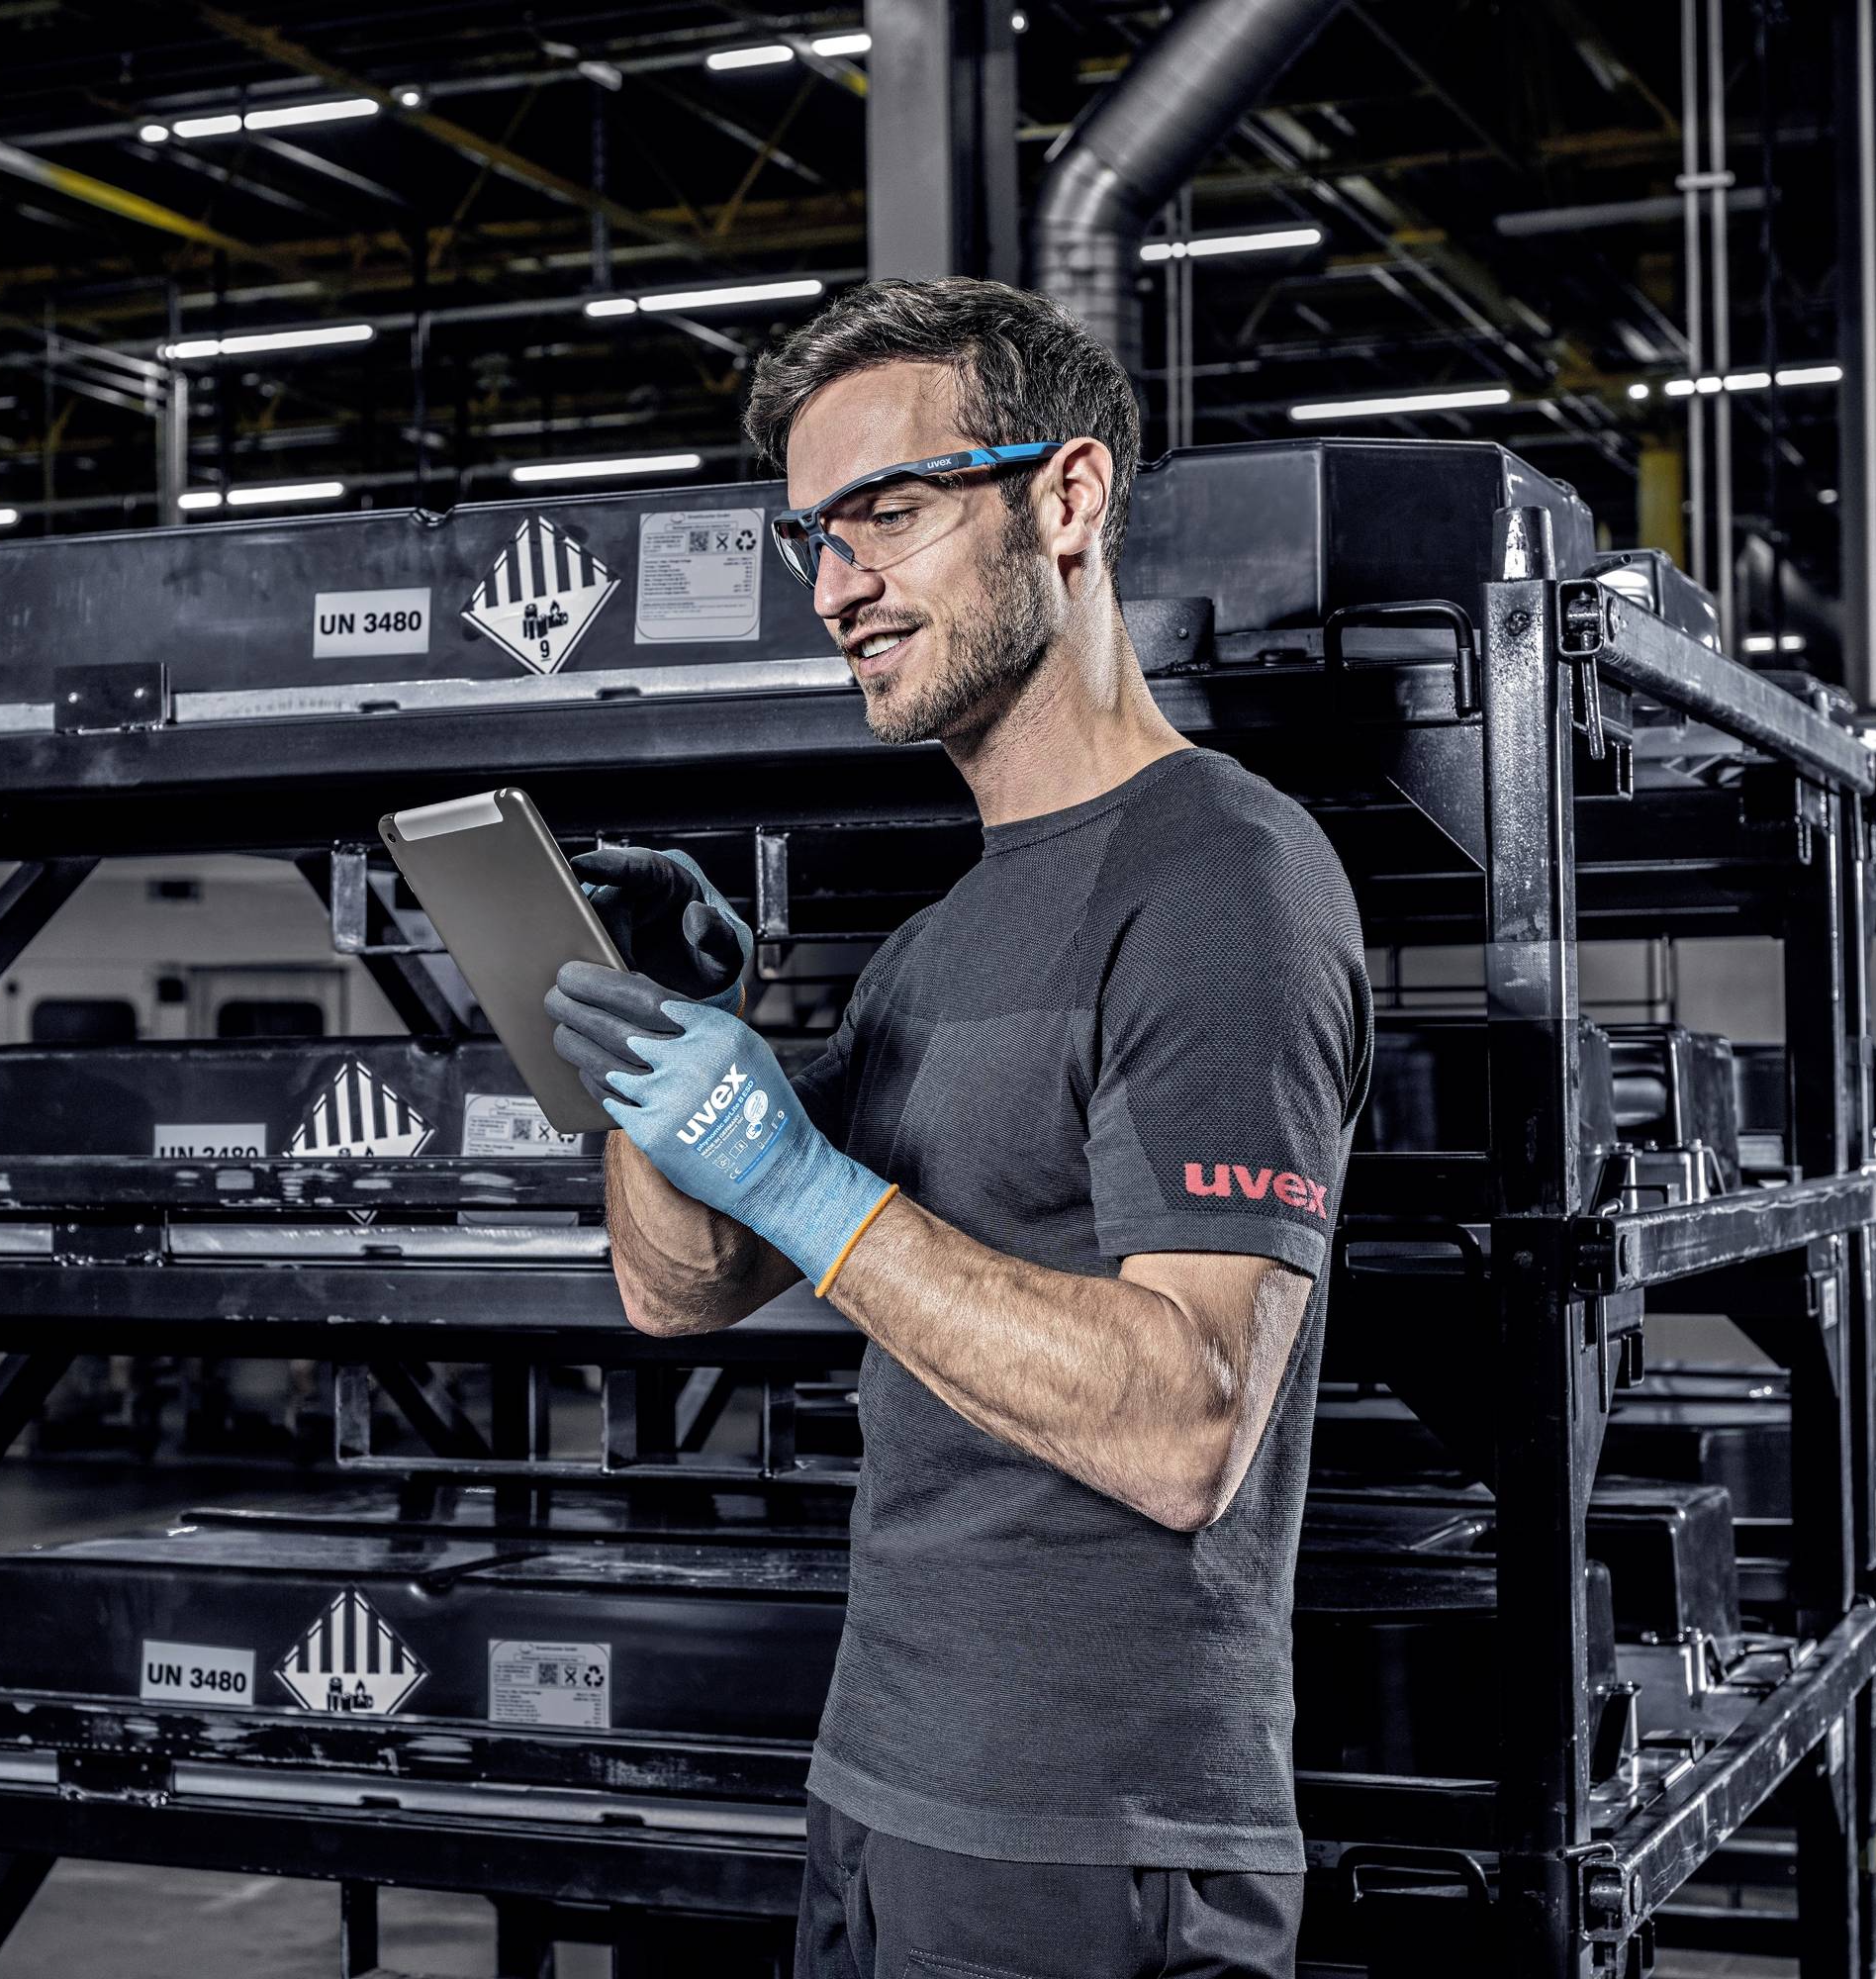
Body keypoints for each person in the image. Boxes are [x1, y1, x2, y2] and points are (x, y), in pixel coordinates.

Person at [546, 277, 1372, 1979]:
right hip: (882, 1788)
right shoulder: (938, 942)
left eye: (888, 515)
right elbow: (676, 1291)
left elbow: (1187, 1426)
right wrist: (644, 1029)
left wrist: (792, 1168)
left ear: (1065, 500)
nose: (839, 585)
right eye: (813, 540)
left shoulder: (1223, 878)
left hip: (1095, 1839)